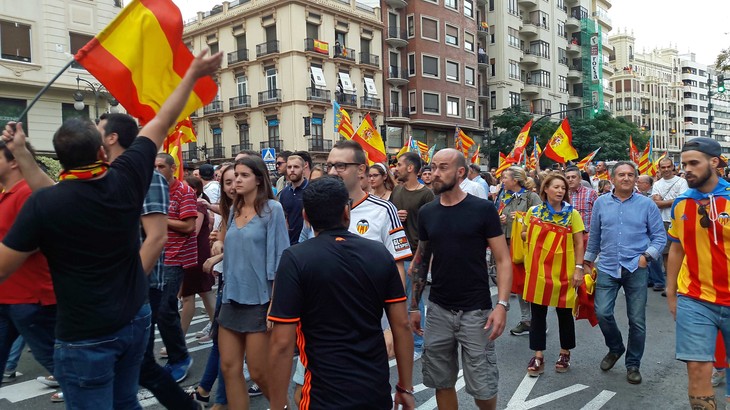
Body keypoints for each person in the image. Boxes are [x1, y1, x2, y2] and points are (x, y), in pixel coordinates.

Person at [0, 49, 223, 408]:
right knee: (125, 402)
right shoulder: (128, 177)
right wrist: (193, 74)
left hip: (83, 333)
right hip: (134, 319)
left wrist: (21, 150)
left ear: (60, 160)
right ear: (102, 154)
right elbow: (163, 119)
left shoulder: (45, 204)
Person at [268, 177, 415, 410]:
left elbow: (282, 343)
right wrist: (405, 388)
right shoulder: (378, 253)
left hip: (321, 395)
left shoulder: (295, 259)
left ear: (305, 217)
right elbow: (402, 326)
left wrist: (278, 405)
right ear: (347, 213)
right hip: (374, 393)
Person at [98, 112, 199, 409]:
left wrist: (126, 282)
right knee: (135, 364)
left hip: (140, 282)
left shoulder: (148, 176)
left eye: (98, 129)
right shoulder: (104, 173)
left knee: (142, 357)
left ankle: (183, 384)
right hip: (115, 282)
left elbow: (157, 236)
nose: (94, 133)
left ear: (112, 137)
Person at [409, 148, 512, 410]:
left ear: (461, 172)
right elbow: (420, 261)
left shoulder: (483, 209)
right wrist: (413, 306)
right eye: (433, 167)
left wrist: (501, 305)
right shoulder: (428, 213)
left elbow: (502, 259)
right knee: (441, 381)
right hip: (438, 310)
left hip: (476, 311)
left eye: (443, 167)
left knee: (483, 384)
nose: (434, 173)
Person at [206, 155, 289, 409]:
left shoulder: (272, 210)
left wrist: (276, 303)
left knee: (258, 372)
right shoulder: (234, 209)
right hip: (231, 296)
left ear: (258, 179)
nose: (236, 181)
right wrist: (220, 249)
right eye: (234, 176)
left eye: (243, 175)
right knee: (229, 368)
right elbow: (237, 245)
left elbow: (280, 257)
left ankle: (281, 406)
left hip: (260, 300)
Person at [584, 161, 666, 385]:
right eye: (621, 175)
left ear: (636, 178)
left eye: (631, 175)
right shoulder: (601, 203)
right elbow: (594, 235)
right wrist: (586, 262)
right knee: (602, 313)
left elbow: (660, 237)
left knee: (637, 320)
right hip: (608, 266)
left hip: (635, 267)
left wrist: (646, 257)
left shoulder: (647, 205)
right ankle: (615, 347)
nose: (626, 178)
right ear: (612, 178)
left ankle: (633, 364)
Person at [666, 137, 730, 410]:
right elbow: (677, 249)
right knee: (697, 368)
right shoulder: (681, 203)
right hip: (694, 297)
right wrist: (671, 293)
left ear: (714, 163)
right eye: (684, 164)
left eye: (694, 163)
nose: (687, 169)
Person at [0, 139, 58, 400]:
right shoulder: (5, 193)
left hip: (30, 299)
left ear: (13, 161)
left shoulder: (27, 193)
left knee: (63, 367)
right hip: (6, 297)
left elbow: (34, 240)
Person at [521, 174, 584, 375]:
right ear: (545, 189)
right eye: (556, 187)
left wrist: (579, 268)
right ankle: (538, 355)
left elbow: (579, 242)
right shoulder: (534, 212)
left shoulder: (572, 214)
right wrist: (527, 230)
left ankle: (565, 352)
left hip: (564, 273)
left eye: (563, 188)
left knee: (564, 314)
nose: (560, 191)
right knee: (538, 315)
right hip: (538, 271)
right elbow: (523, 233)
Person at [155, 152, 196, 382]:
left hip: (175, 256)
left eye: (161, 166)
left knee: (165, 309)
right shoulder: (152, 189)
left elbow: (189, 226)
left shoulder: (184, 191)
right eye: (154, 166)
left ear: (173, 168)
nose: (156, 170)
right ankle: (175, 355)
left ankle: (180, 357)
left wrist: (159, 219)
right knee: (157, 309)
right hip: (156, 255)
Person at [390, 152, 435, 360]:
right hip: (396, 254)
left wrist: (420, 260)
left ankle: (418, 344)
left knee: (414, 301)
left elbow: (429, 231)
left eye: (399, 164)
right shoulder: (397, 190)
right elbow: (388, 219)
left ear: (410, 168)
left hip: (414, 254)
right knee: (399, 300)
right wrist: (395, 217)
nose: (396, 167)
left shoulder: (426, 194)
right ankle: (404, 337)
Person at [497, 166, 541, 337]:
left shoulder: (531, 196)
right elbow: (499, 214)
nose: (502, 181)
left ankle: (537, 320)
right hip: (508, 243)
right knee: (519, 284)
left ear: (515, 180)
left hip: (526, 245)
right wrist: (500, 217)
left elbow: (540, 218)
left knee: (531, 282)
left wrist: (522, 216)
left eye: (505, 177)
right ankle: (526, 320)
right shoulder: (504, 196)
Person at [180, 176, 216, 336]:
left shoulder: (197, 206)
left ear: (193, 190)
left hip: (195, 255)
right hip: (194, 254)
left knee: (189, 296)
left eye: (184, 187)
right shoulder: (193, 204)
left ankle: (177, 342)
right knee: (204, 293)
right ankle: (219, 332)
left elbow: (193, 231)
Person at [651, 157, 688, 291]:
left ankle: (681, 284)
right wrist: (670, 201)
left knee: (682, 253)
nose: (666, 169)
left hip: (680, 221)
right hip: (663, 222)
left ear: (673, 167)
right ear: (659, 169)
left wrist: (662, 202)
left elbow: (682, 200)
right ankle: (671, 285)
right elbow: (656, 202)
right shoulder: (657, 184)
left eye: (668, 167)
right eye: (663, 167)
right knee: (667, 254)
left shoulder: (682, 181)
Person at [279, 154, 309, 245]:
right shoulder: (284, 193)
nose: (292, 170)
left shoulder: (312, 190)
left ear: (303, 169)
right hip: (289, 243)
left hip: (307, 243)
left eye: (296, 167)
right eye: (289, 167)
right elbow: (284, 219)